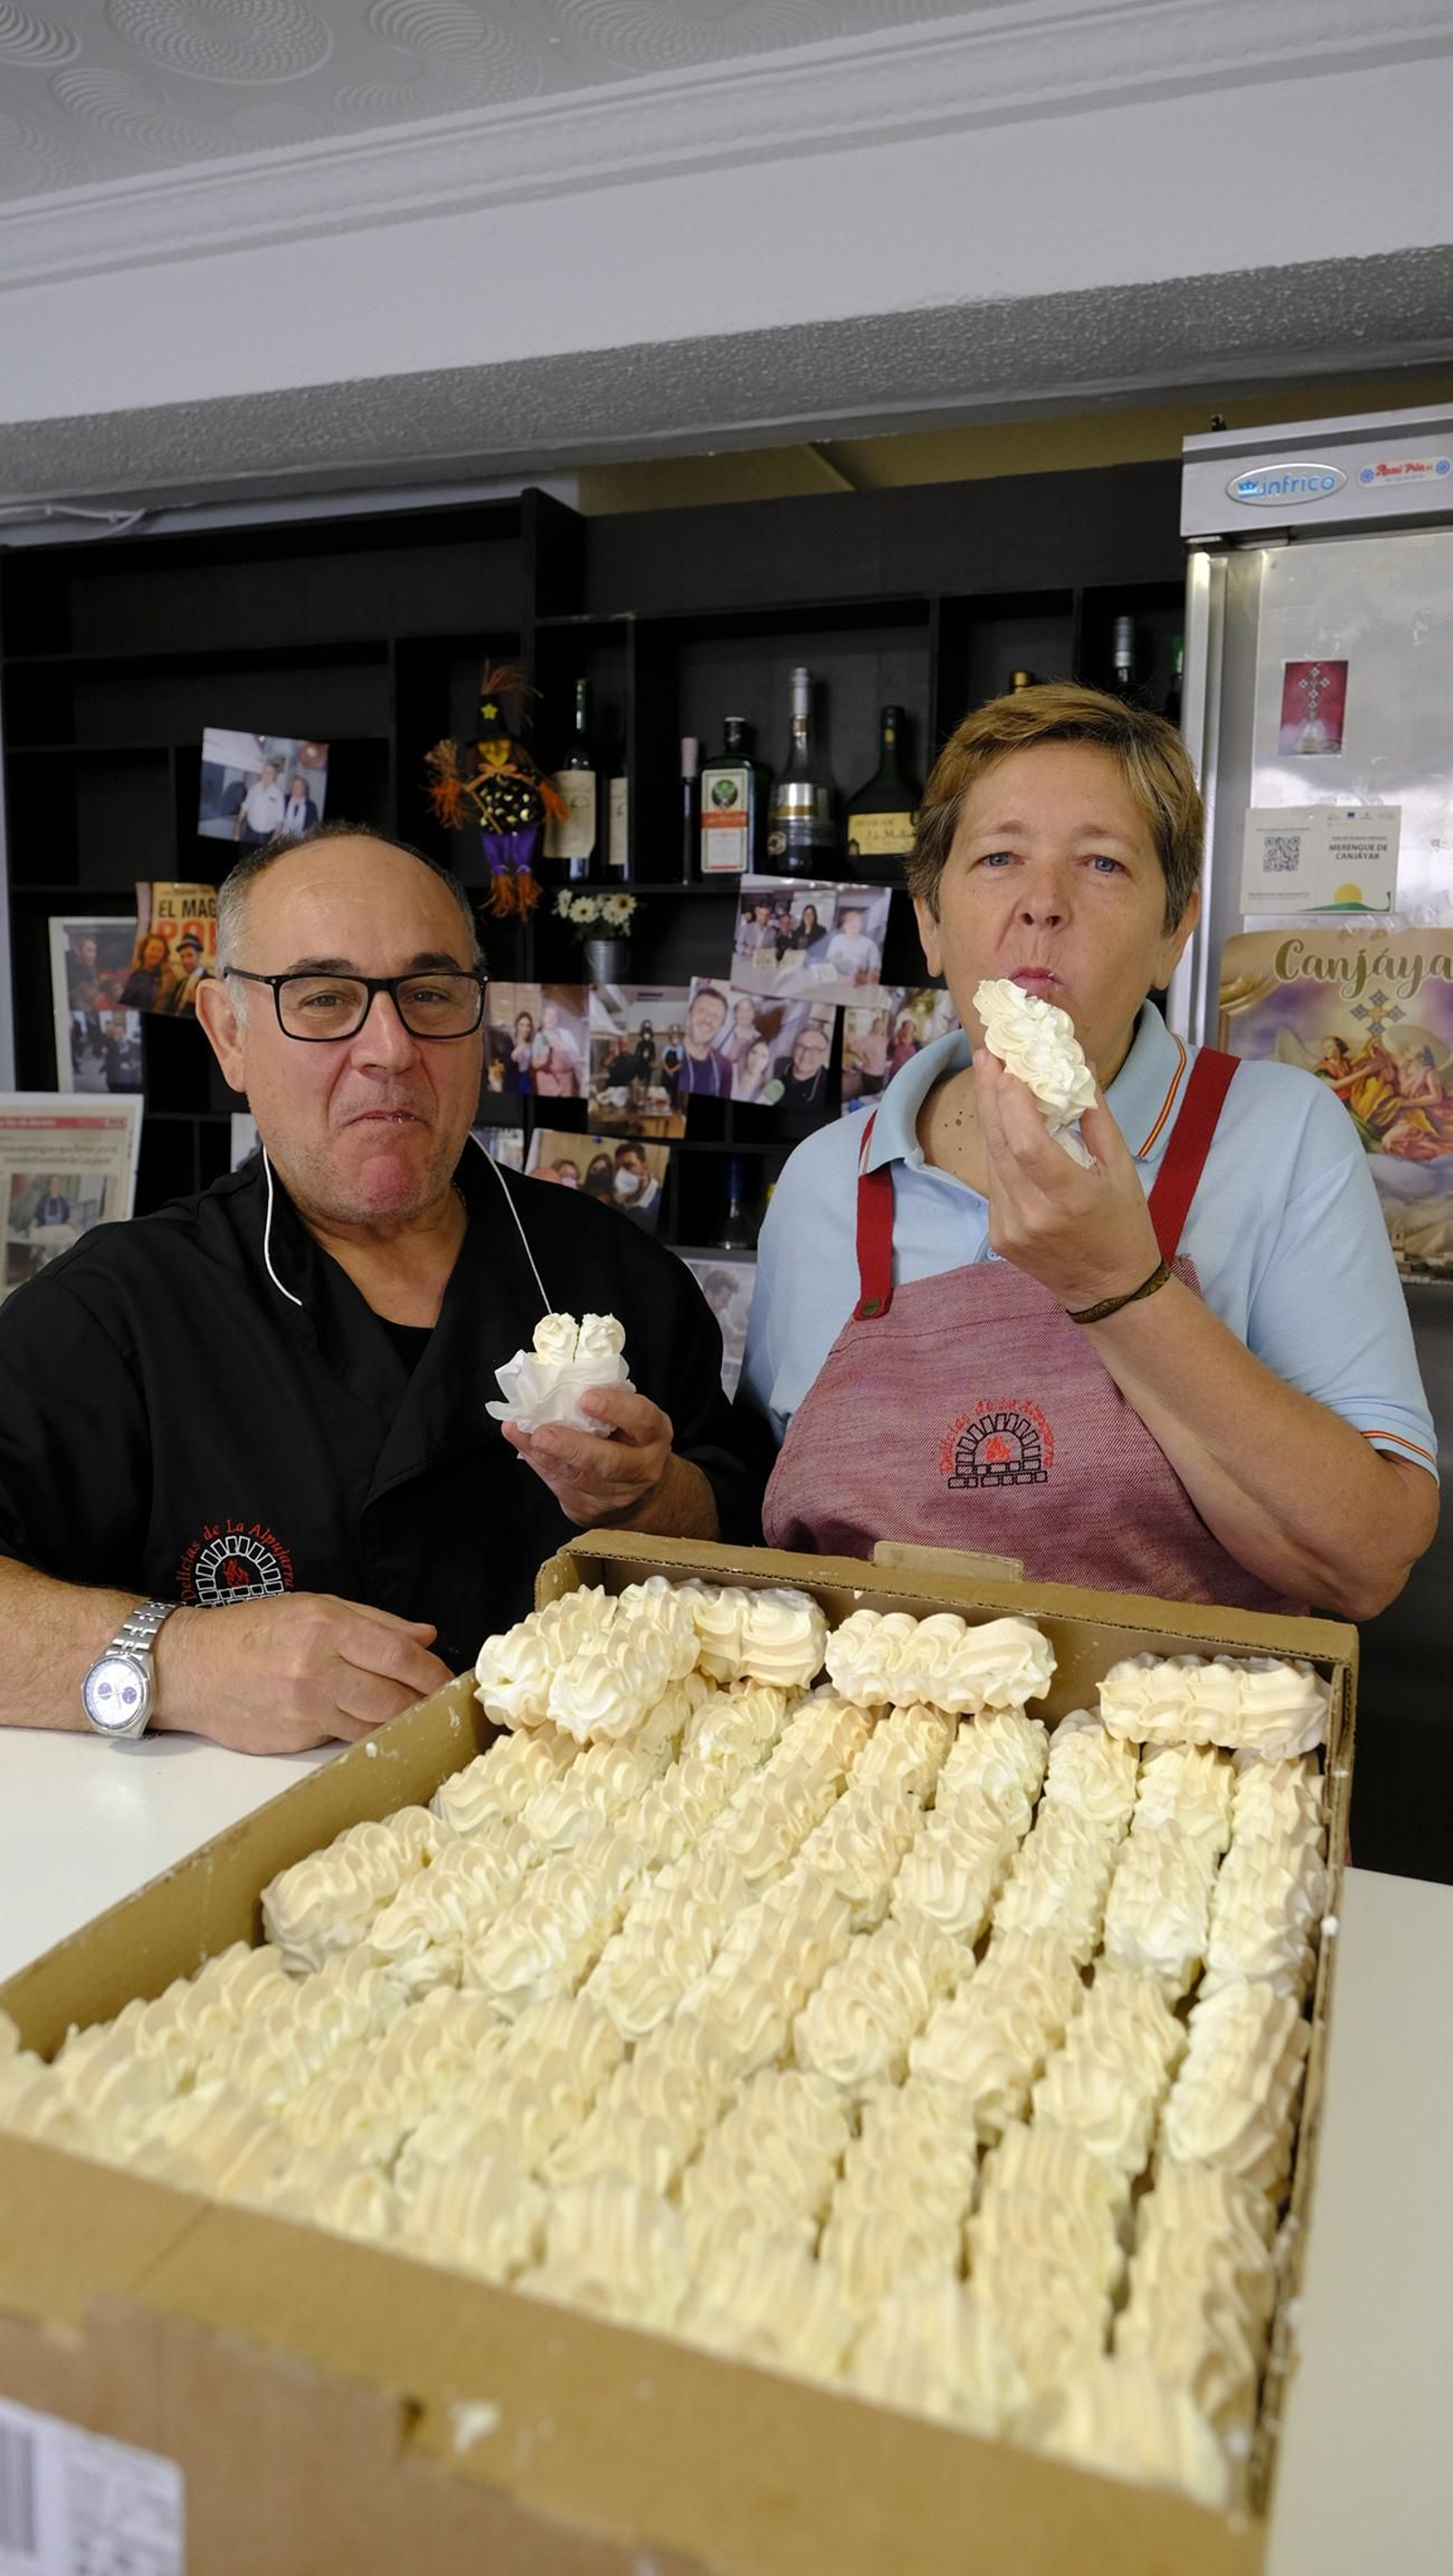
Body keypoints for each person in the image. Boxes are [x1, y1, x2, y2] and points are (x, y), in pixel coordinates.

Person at [0, 824, 763, 1753]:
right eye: (323, 999)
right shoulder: (117, 1310)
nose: (391, 1048)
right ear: (228, 1033)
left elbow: (745, 1537)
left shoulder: (619, 1276)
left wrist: (652, 1502)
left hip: (593, 1854)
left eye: (431, 994)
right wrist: (181, 1658)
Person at [743, 681, 1438, 1615]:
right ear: (931, 922)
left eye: (1102, 864)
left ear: (1172, 933)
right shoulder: (830, 1176)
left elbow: (1364, 1563)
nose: (1042, 904)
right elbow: (768, 1515)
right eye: (997, 857)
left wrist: (1116, 1284)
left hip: (1174, 1744)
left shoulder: (1284, 1134)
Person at [679, 985, 733, 1098]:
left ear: (721, 1025)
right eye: (702, 1010)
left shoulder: (725, 1067)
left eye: (716, 1015)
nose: (707, 1020)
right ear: (689, 1015)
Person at [773, 1018, 832, 1109]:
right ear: (794, 1047)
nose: (805, 1055)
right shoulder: (776, 1066)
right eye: (801, 1046)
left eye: (815, 1050)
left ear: (825, 1054)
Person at [532, 998, 583, 1099]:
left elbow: (577, 1058)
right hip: (545, 1080)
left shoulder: (566, 1034)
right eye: (548, 1015)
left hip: (565, 1079)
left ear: (557, 1019)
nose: (551, 1018)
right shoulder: (538, 1037)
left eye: (554, 1016)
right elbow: (534, 1064)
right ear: (542, 1018)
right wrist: (542, 1060)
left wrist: (566, 1049)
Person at [120, 932, 182, 1012]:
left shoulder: (169, 979)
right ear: (144, 950)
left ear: (164, 954)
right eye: (152, 949)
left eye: (160, 950)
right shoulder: (130, 971)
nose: (155, 954)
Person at [825, 904, 883, 985]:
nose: (852, 924)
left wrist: (859, 978)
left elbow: (877, 975)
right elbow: (827, 963)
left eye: (856, 921)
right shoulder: (835, 940)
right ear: (844, 925)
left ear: (861, 924)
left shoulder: (870, 945)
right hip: (834, 984)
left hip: (859, 987)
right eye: (849, 921)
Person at [233, 761, 286, 847]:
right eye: (265, 771)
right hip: (250, 831)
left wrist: (275, 837)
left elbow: (279, 818)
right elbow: (245, 807)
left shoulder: (278, 793)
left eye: (270, 773)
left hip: (267, 835)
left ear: (275, 775)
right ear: (262, 773)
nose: (267, 775)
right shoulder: (253, 788)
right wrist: (238, 824)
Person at [164, 929, 211, 1017]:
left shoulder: (209, 982)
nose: (185, 961)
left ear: (199, 955)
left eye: (190, 955)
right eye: (182, 957)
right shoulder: (180, 982)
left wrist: (200, 1004)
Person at [613, 1141, 661, 1220]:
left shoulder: (658, 1203)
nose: (621, 1174)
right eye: (618, 1169)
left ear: (645, 1168)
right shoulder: (622, 1201)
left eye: (628, 1166)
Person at [732, 1033, 784, 1107]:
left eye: (764, 1057)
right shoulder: (731, 1070)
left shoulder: (767, 1089)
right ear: (747, 1053)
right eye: (754, 1052)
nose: (757, 1060)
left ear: (769, 1062)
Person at [718, 995, 762, 1069]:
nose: (744, 1014)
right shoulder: (722, 1032)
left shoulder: (759, 1038)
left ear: (754, 1014)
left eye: (748, 1010)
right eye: (740, 1010)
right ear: (735, 1014)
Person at [280, 773, 320, 840]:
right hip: (281, 838)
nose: (296, 788)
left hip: (300, 841)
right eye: (294, 785)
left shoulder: (311, 806)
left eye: (299, 786)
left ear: (304, 789)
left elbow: (313, 827)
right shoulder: (284, 800)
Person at [509, 1009, 537, 1095]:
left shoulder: (531, 1043)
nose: (525, 1028)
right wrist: (522, 1047)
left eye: (528, 1025)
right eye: (522, 1025)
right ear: (517, 1026)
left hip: (525, 1076)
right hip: (513, 1077)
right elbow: (511, 1058)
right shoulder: (511, 1041)